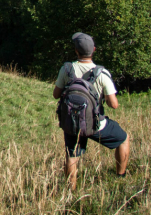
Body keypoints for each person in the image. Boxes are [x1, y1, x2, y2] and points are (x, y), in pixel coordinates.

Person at [53, 32, 130, 189]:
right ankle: (121, 176)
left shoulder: (67, 69)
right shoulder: (102, 73)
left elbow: (56, 95)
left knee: (72, 154)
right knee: (123, 139)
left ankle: (71, 190)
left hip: (71, 123)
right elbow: (113, 104)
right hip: (94, 124)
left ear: (76, 51)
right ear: (94, 50)